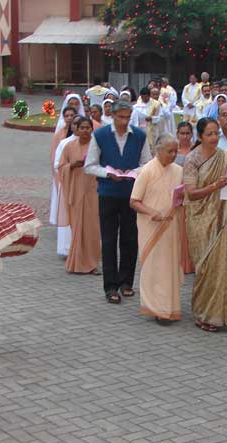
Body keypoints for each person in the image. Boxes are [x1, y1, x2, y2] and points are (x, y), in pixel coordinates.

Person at [84, 101, 152, 303]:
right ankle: (111, 286)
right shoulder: (100, 135)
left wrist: (134, 172)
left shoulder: (139, 135)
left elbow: (147, 163)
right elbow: (89, 165)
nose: (124, 121)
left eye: (127, 117)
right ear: (112, 116)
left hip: (132, 195)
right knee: (109, 240)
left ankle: (126, 282)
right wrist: (108, 173)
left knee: (130, 239)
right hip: (108, 193)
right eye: (120, 117)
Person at [183, 118, 227, 332]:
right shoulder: (192, 159)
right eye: (209, 134)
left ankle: (216, 315)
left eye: (216, 133)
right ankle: (201, 313)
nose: (215, 137)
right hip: (198, 219)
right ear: (200, 136)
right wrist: (215, 186)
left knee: (218, 268)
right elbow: (191, 193)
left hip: (220, 218)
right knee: (204, 267)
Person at [130, 134, 184, 322]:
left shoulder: (179, 171)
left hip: (171, 225)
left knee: (168, 266)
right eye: (170, 151)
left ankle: (170, 307)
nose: (174, 155)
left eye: (176, 151)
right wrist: (151, 212)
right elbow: (134, 201)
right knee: (154, 267)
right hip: (151, 226)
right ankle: (156, 308)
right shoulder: (147, 171)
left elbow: (182, 196)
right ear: (158, 150)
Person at [57, 117, 101, 274]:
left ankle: (92, 263)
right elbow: (61, 167)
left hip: (93, 191)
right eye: (82, 127)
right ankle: (75, 263)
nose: (85, 131)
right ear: (76, 129)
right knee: (77, 227)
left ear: (92, 129)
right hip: (75, 191)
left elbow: (104, 166)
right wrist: (72, 166)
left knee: (92, 228)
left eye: (88, 128)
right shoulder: (69, 146)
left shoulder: (97, 146)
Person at [53, 114, 81, 257]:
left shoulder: (93, 143)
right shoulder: (65, 143)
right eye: (75, 124)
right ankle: (68, 248)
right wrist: (71, 166)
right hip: (69, 184)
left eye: (82, 125)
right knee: (69, 216)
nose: (78, 127)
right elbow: (57, 164)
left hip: (87, 187)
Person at [175, 121, 195, 274]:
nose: (185, 136)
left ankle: (191, 262)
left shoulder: (196, 150)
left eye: (188, 133)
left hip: (192, 193)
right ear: (177, 134)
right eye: (182, 133)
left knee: (190, 229)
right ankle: (179, 261)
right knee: (178, 228)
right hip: (176, 194)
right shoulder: (173, 151)